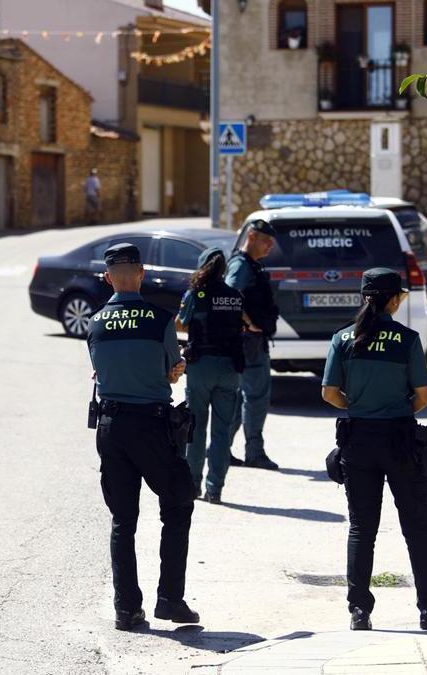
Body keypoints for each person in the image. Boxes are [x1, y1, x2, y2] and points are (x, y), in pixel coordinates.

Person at [321, 268, 427, 632]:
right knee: (416, 526)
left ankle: (359, 611)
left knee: (361, 528)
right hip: (399, 438)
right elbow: (425, 396)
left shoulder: (343, 339)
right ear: (394, 300)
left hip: (358, 440)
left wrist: (362, 407)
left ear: (363, 297)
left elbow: (329, 393)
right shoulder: (407, 339)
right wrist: (395, 411)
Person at [88, 242, 200, 631]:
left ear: (108, 278)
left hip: (111, 428)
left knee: (123, 520)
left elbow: (100, 371)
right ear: (141, 274)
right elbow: (170, 372)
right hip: (151, 426)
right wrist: (176, 369)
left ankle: (126, 608)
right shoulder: (160, 320)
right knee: (178, 504)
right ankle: (170, 600)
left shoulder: (96, 322)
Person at [176, 247, 258, 503]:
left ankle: (192, 484)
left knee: (196, 429)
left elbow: (180, 323)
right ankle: (215, 489)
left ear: (203, 267)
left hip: (201, 367)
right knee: (222, 432)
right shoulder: (235, 295)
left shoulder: (196, 293)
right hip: (229, 368)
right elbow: (246, 323)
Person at [225, 220, 281, 471]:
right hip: (248, 342)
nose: (270, 246)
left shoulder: (248, 265)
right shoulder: (241, 265)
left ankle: (221, 448)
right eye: (266, 241)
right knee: (256, 397)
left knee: (240, 399)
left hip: (247, 341)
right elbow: (229, 296)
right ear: (252, 236)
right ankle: (254, 453)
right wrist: (249, 323)